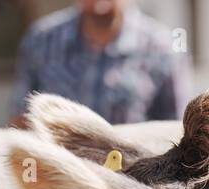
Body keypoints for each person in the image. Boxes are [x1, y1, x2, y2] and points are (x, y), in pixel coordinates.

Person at [11, 0, 190, 125]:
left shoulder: (163, 47)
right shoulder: (41, 41)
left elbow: (175, 127)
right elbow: (21, 119)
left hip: (132, 175)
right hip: (58, 173)